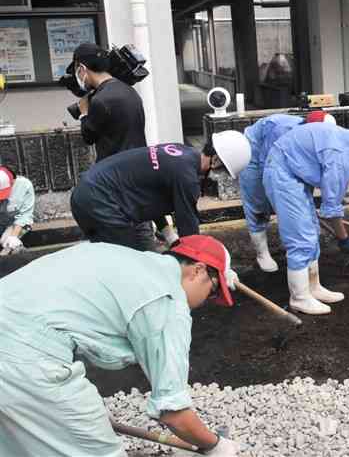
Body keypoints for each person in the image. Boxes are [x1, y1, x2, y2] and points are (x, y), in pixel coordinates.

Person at [0, 235, 241, 456]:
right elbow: (174, 413)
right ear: (198, 271)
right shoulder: (166, 300)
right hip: (21, 355)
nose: (206, 301)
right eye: (212, 291)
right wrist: (215, 445)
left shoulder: (126, 260)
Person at [264, 122, 349, 315]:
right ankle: (300, 298)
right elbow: (332, 206)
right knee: (301, 238)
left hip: (294, 173)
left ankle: (313, 287)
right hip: (282, 174)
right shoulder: (343, 158)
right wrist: (344, 239)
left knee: (311, 232)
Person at [71, 131, 250, 251]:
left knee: (107, 254)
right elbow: (189, 228)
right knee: (127, 261)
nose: (218, 175)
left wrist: (168, 233)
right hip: (100, 201)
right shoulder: (187, 177)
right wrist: (207, 261)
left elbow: (152, 193)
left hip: (87, 193)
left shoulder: (180, 152)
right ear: (216, 160)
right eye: (222, 170)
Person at [70, 43, 174, 248]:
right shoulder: (129, 92)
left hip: (115, 180)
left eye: (76, 70)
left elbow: (88, 136)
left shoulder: (100, 100)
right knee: (141, 234)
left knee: (130, 244)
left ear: (82, 69)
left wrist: (83, 113)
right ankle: (168, 238)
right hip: (137, 168)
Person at [239, 111, 336, 272]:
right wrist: (283, 204)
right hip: (253, 153)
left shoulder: (318, 141)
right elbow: (268, 168)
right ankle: (262, 253)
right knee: (258, 203)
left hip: (279, 159)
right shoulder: (281, 130)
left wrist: (303, 206)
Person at [0, 166, 34, 255]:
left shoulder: (25, 185)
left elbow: (25, 214)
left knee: (8, 243)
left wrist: (13, 236)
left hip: (15, 224)